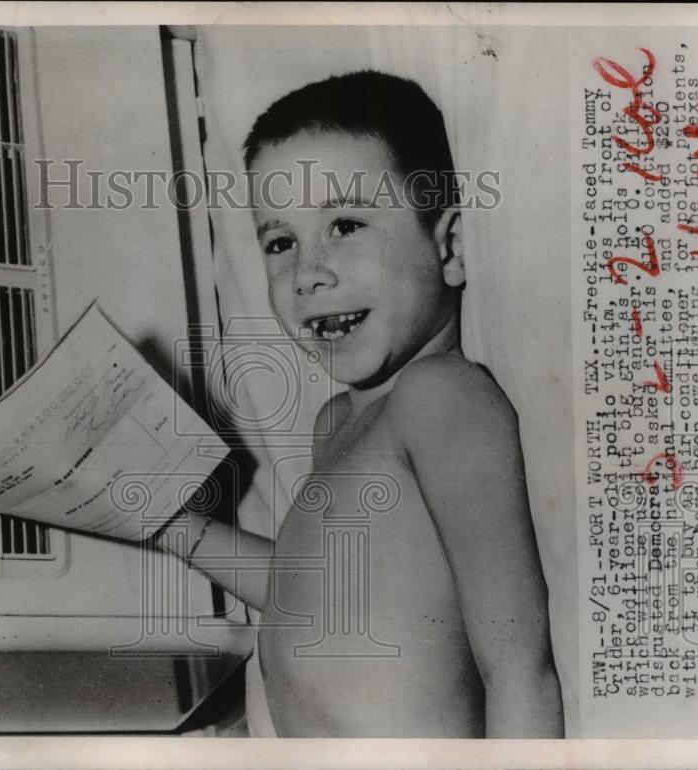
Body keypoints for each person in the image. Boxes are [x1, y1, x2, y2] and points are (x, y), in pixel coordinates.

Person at [155, 71, 564, 738]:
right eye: (280, 242)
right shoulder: (338, 423)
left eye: (344, 224)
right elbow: (306, 594)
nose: (307, 272)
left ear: (450, 245)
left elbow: (520, 668)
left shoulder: (442, 399)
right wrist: (175, 529)